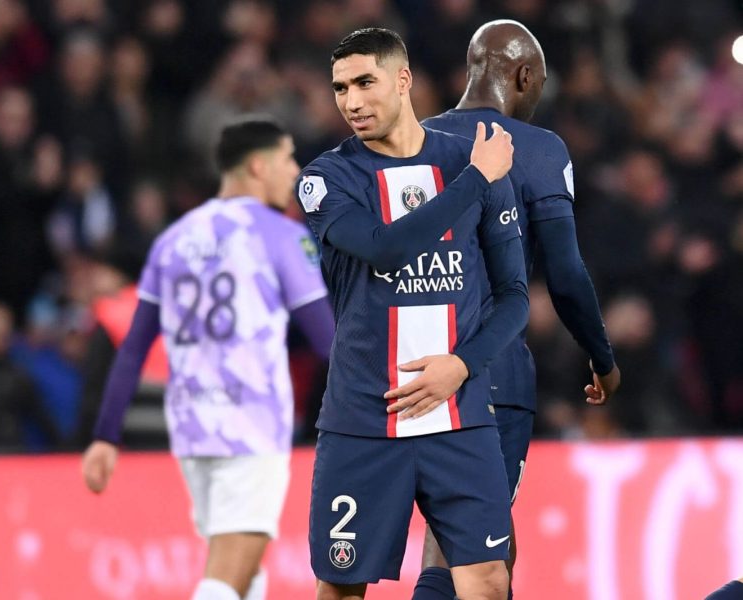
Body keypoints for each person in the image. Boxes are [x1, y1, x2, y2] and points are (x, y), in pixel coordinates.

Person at [392, 20, 621, 600]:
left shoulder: (416, 140)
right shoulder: (536, 147)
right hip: (490, 367)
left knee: (464, 532)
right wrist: (602, 357)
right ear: (524, 75)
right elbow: (565, 276)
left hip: (414, 365)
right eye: (539, 82)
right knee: (473, 552)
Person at [297, 28, 527, 600]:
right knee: (341, 589)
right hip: (364, 422)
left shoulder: (466, 158)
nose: (351, 101)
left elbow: (515, 296)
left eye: (365, 82)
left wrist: (463, 365)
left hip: (460, 416)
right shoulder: (324, 179)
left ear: (403, 79)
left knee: (489, 578)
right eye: (340, 88)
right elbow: (384, 247)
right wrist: (477, 179)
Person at [81, 116, 334, 600]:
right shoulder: (280, 236)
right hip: (251, 424)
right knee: (227, 576)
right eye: (287, 160)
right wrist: (384, 398)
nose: (295, 172)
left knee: (245, 569)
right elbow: (327, 338)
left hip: (192, 426)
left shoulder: (172, 240)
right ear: (258, 166)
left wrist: (104, 435)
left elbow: (133, 347)